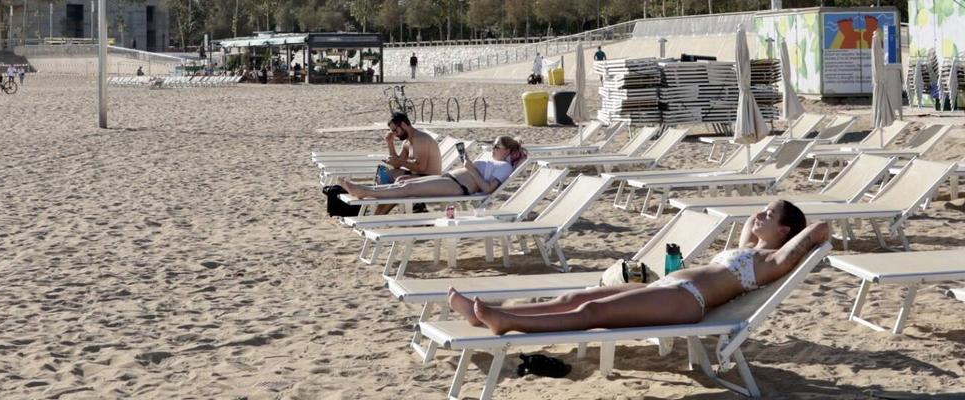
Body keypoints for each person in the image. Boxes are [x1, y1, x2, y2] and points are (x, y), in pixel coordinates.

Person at [447, 200, 829, 335]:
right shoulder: (749, 246)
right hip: (666, 287)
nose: (760, 214)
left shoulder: (767, 261)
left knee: (591, 312)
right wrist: (769, 215)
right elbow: (750, 222)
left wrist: (797, 230)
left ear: (784, 230)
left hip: (686, 301)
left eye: (770, 214)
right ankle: (490, 316)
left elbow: (815, 231)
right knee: (574, 296)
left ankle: (507, 322)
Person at [338, 135, 526, 200]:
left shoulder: (504, 168)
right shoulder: (492, 160)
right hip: (449, 178)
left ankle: (364, 191)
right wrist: (468, 166)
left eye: (496, 147)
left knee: (408, 188)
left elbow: (486, 189)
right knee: (404, 180)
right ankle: (368, 190)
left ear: (508, 150)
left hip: (458, 187)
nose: (492, 149)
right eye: (492, 145)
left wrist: (470, 167)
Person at [380, 112, 442, 181]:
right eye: (392, 131)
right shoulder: (407, 142)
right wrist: (390, 143)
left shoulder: (420, 139)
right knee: (388, 173)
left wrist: (399, 162)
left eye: (395, 130)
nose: (395, 134)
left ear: (403, 125)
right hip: (419, 176)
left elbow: (421, 167)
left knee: (401, 180)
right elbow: (396, 165)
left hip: (431, 179)